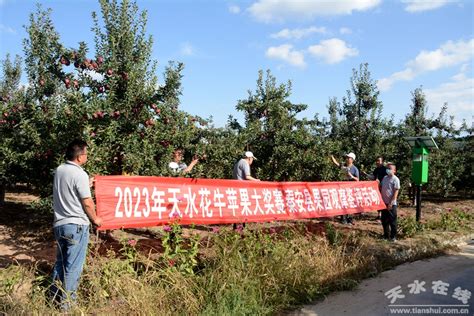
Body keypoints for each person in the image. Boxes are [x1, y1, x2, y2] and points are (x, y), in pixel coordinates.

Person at [50, 139, 102, 309]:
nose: (87, 156)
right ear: (80, 157)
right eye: (86, 153)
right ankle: (67, 306)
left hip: (60, 224)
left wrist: (87, 184)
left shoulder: (60, 170)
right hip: (77, 226)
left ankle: (53, 300)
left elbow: (69, 190)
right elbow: (87, 202)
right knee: (73, 267)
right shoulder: (80, 174)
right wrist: (95, 219)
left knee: (61, 263)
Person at [232, 151, 259, 229]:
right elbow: (247, 176)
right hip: (242, 189)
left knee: (238, 208)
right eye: (252, 159)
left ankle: (236, 226)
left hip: (236, 188)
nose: (252, 161)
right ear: (249, 158)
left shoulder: (238, 163)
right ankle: (241, 227)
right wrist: (257, 181)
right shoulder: (245, 163)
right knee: (243, 207)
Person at [331, 152, 359, 224]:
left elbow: (357, 180)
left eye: (348, 158)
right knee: (343, 202)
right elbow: (336, 163)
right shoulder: (344, 166)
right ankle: (343, 218)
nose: (347, 159)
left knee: (349, 203)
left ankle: (350, 218)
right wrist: (331, 156)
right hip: (343, 187)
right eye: (346, 157)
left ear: (352, 159)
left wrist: (351, 176)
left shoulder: (355, 169)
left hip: (350, 188)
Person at [380, 163, 400, 242]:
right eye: (387, 168)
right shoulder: (385, 178)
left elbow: (396, 192)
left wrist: (391, 203)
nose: (388, 170)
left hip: (391, 203)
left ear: (394, 171)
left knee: (392, 221)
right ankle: (386, 235)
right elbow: (381, 187)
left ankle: (393, 236)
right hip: (384, 203)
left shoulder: (395, 179)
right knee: (384, 220)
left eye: (390, 168)